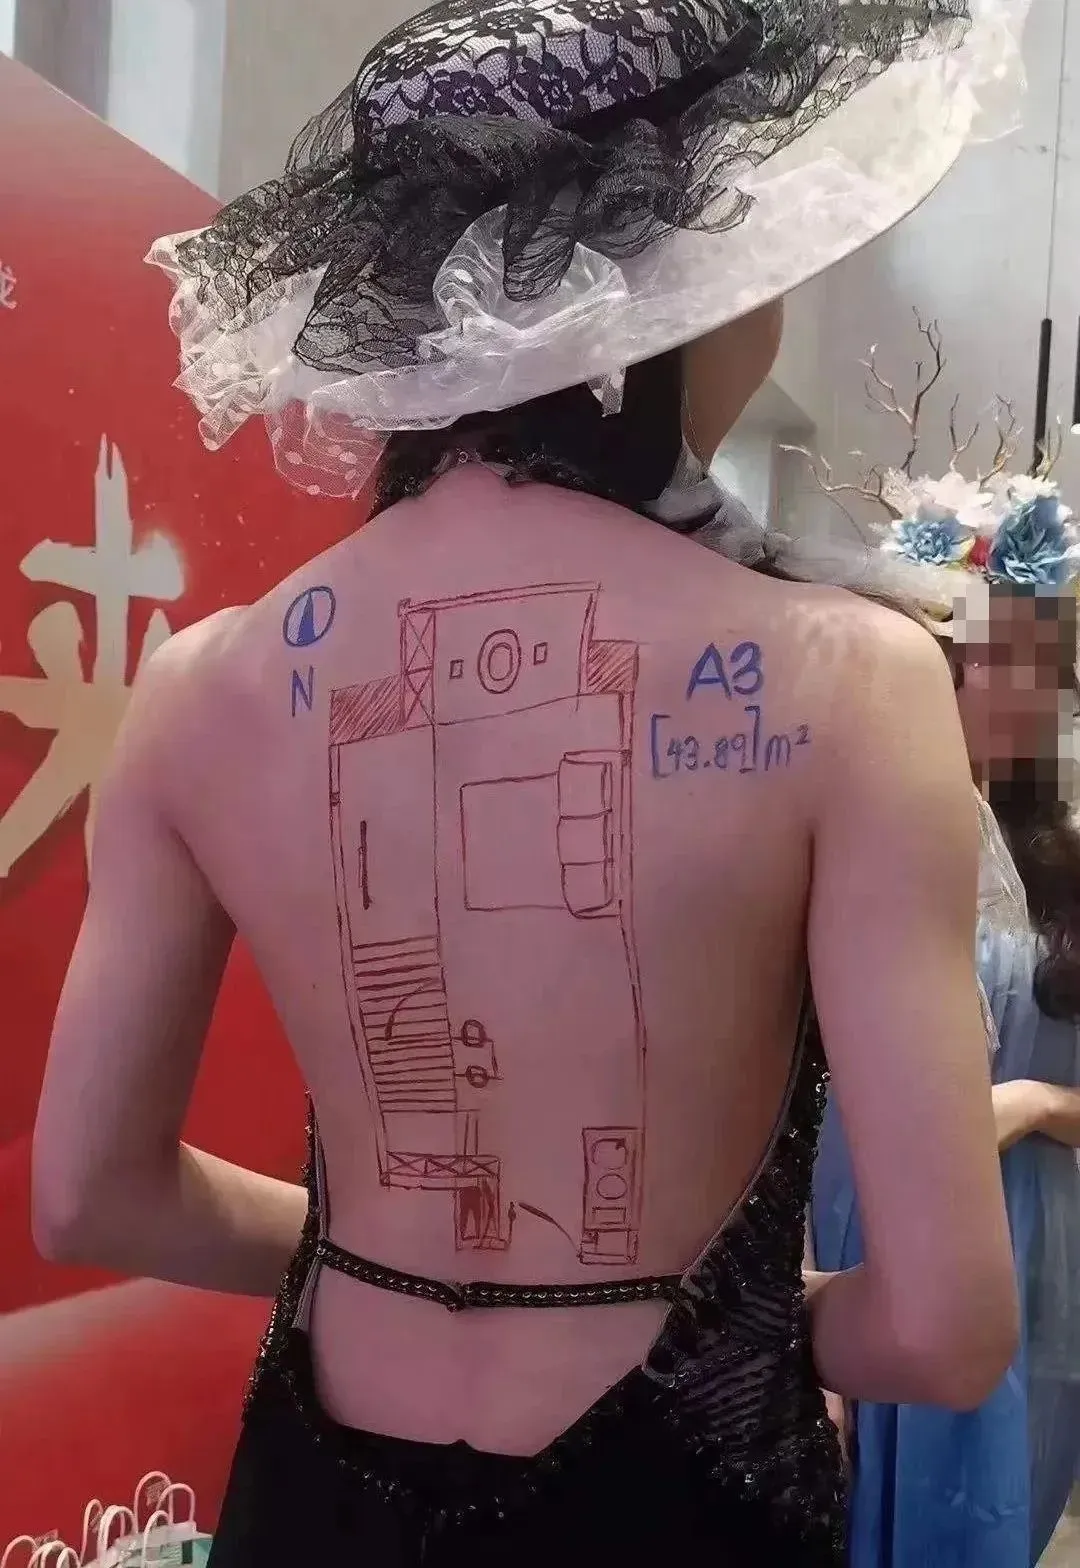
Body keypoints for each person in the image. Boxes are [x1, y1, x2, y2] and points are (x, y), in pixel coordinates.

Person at [31, 2, 1025, 1563]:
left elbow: (91, 1198)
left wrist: (381, 1260)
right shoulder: (847, 679)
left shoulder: (201, 687)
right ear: (678, 285)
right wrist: (736, 1331)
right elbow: (947, 1329)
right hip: (673, 1502)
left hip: (315, 1502)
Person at [813, 565, 1080, 1567]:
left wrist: (1035, 1101)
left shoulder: (1066, 871)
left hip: (1032, 1229)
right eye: (987, 659)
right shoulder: (858, 832)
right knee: (849, 1491)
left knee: (1002, 1502)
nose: (1015, 689)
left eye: (1043, 667)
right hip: (863, 1204)